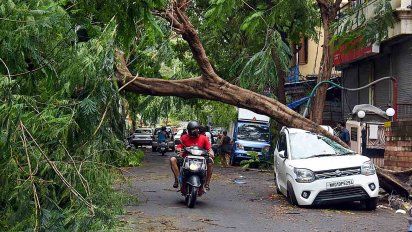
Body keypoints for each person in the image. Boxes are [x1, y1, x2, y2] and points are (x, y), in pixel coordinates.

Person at [170, 121, 214, 190]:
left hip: (200, 159)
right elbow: (179, 146)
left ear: (198, 129)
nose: (194, 131)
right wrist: (178, 149)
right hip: (186, 159)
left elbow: (209, 148)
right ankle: (178, 179)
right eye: (192, 129)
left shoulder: (204, 138)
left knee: (211, 162)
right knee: (173, 159)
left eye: (196, 129)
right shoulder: (184, 137)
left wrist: (211, 153)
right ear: (189, 130)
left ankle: (207, 183)